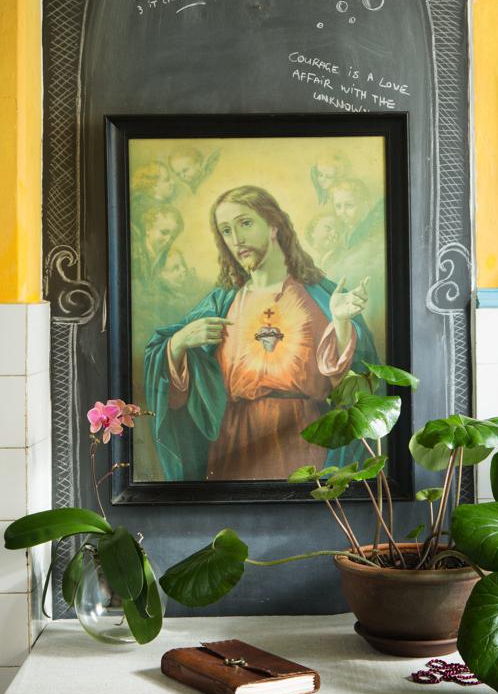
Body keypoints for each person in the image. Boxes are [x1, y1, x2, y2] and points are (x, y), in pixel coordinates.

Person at [144, 185, 378, 481]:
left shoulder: (321, 297)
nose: (236, 239)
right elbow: (168, 371)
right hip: (235, 447)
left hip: (305, 442)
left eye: (245, 223)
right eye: (226, 230)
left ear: (273, 225)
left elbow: (354, 388)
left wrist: (342, 322)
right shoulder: (221, 302)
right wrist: (179, 343)